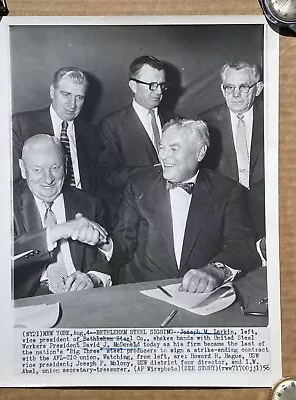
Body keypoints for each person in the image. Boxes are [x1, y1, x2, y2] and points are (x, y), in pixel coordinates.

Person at [108, 119, 260, 292]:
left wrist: (215, 269)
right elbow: (123, 241)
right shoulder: (138, 185)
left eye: (174, 148)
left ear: (200, 152)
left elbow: (242, 246)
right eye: (162, 148)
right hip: (145, 293)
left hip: (201, 295)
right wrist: (104, 242)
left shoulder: (227, 191)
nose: (163, 156)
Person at [13, 134, 111, 299]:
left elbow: (107, 256)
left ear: (65, 164)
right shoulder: (6, 201)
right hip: (28, 300)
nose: (48, 179)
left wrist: (93, 277)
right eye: (37, 170)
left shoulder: (90, 204)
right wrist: (58, 231)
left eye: (55, 167)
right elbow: (4, 256)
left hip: (81, 298)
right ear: (23, 169)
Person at [98, 55, 172, 222]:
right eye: (152, 86)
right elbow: (109, 176)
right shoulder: (112, 125)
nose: (159, 91)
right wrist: (155, 170)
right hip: (136, 216)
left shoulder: (175, 121)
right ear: (133, 85)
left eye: (162, 85)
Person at [199, 61, 265, 240]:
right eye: (229, 87)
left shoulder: (274, 117)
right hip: (225, 215)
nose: (235, 94)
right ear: (222, 89)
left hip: (268, 210)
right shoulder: (206, 123)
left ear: (258, 88)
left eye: (243, 87)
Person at [12, 66, 99, 195]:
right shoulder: (22, 124)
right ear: (52, 92)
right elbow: (12, 180)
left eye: (79, 97)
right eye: (66, 94)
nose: (72, 104)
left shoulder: (91, 133)